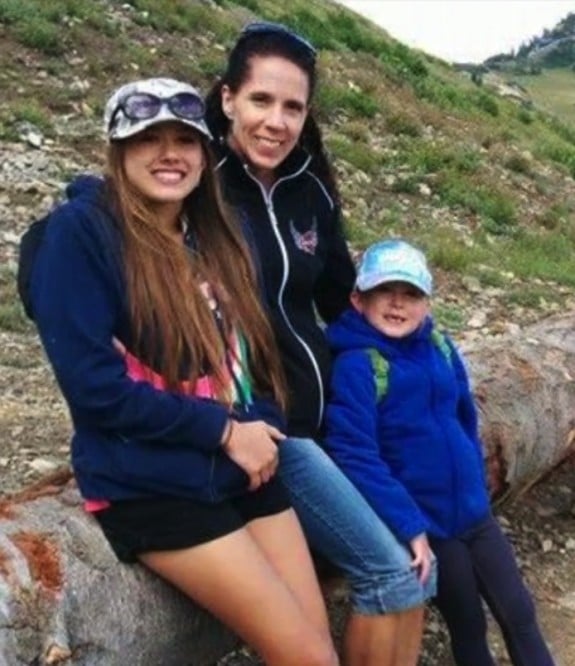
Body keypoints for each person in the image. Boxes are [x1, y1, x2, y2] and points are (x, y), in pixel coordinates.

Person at [27, 76, 339, 666]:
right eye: (149, 138)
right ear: (118, 150)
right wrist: (223, 431)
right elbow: (95, 391)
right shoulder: (82, 235)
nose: (169, 153)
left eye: (185, 140)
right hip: (149, 480)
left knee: (316, 641)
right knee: (308, 657)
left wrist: (261, 426)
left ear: (204, 151)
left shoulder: (216, 235)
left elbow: (255, 358)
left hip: (236, 466)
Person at [205, 22, 435, 666]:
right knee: (390, 574)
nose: (277, 122)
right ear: (228, 99)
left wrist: (412, 349)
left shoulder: (308, 187)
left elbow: (339, 291)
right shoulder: (197, 188)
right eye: (261, 101)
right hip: (269, 434)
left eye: (293, 107)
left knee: (423, 569)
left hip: (329, 417)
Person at [323, 238, 556, 666]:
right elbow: (354, 452)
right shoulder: (359, 364)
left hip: (474, 514)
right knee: (467, 623)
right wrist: (408, 524)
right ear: (359, 299)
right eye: (384, 292)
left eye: (411, 293)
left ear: (427, 303)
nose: (397, 304)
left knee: (519, 611)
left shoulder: (441, 349)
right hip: (428, 528)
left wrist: (474, 482)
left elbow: (464, 417)